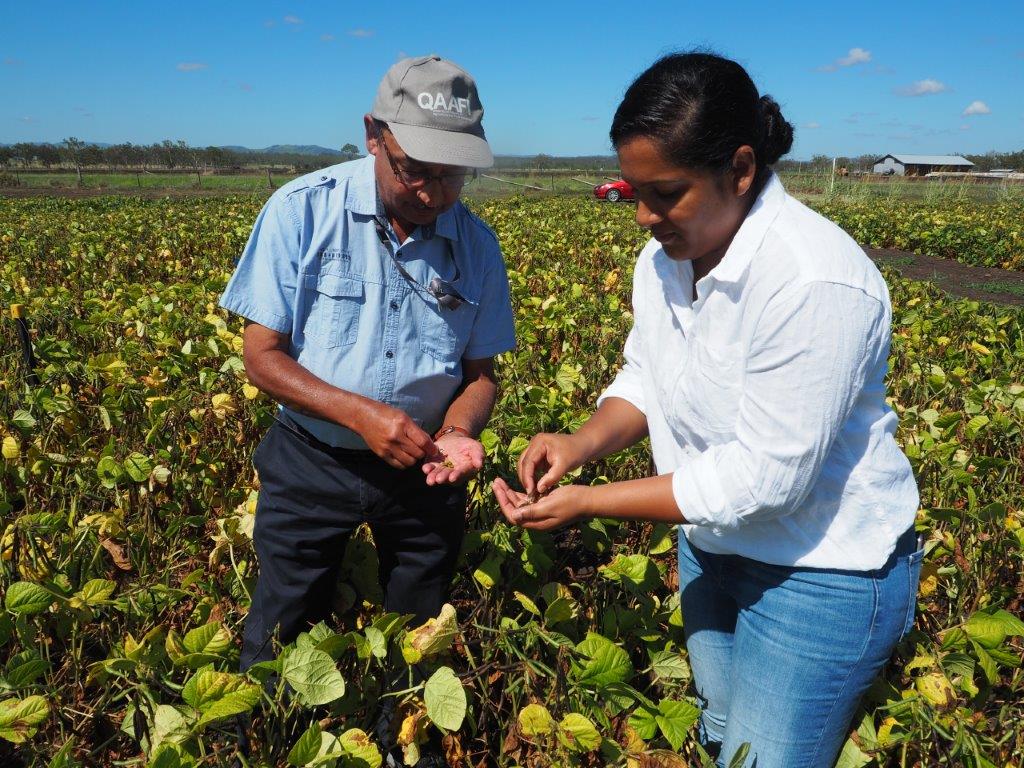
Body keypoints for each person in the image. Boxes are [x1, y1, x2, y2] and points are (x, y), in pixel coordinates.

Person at [492, 52, 922, 767]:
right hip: (711, 545)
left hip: (821, 573)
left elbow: (764, 480)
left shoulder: (812, 280)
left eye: (665, 193)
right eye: (632, 190)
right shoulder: (662, 263)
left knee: (763, 759)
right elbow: (647, 378)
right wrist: (580, 443)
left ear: (742, 170)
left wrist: (590, 502)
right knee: (723, 729)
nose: (641, 215)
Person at [220, 55, 515, 760]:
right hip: (310, 457)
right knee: (286, 616)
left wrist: (459, 429)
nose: (433, 191)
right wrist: (359, 415)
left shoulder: (476, 245)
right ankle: (261, 742)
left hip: (426, 470)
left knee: (421, 625)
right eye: (417, 168)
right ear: (373, 135)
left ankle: (405, 745)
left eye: (452, 174)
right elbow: (261, 357)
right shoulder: (301, 210)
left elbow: (483, 376)